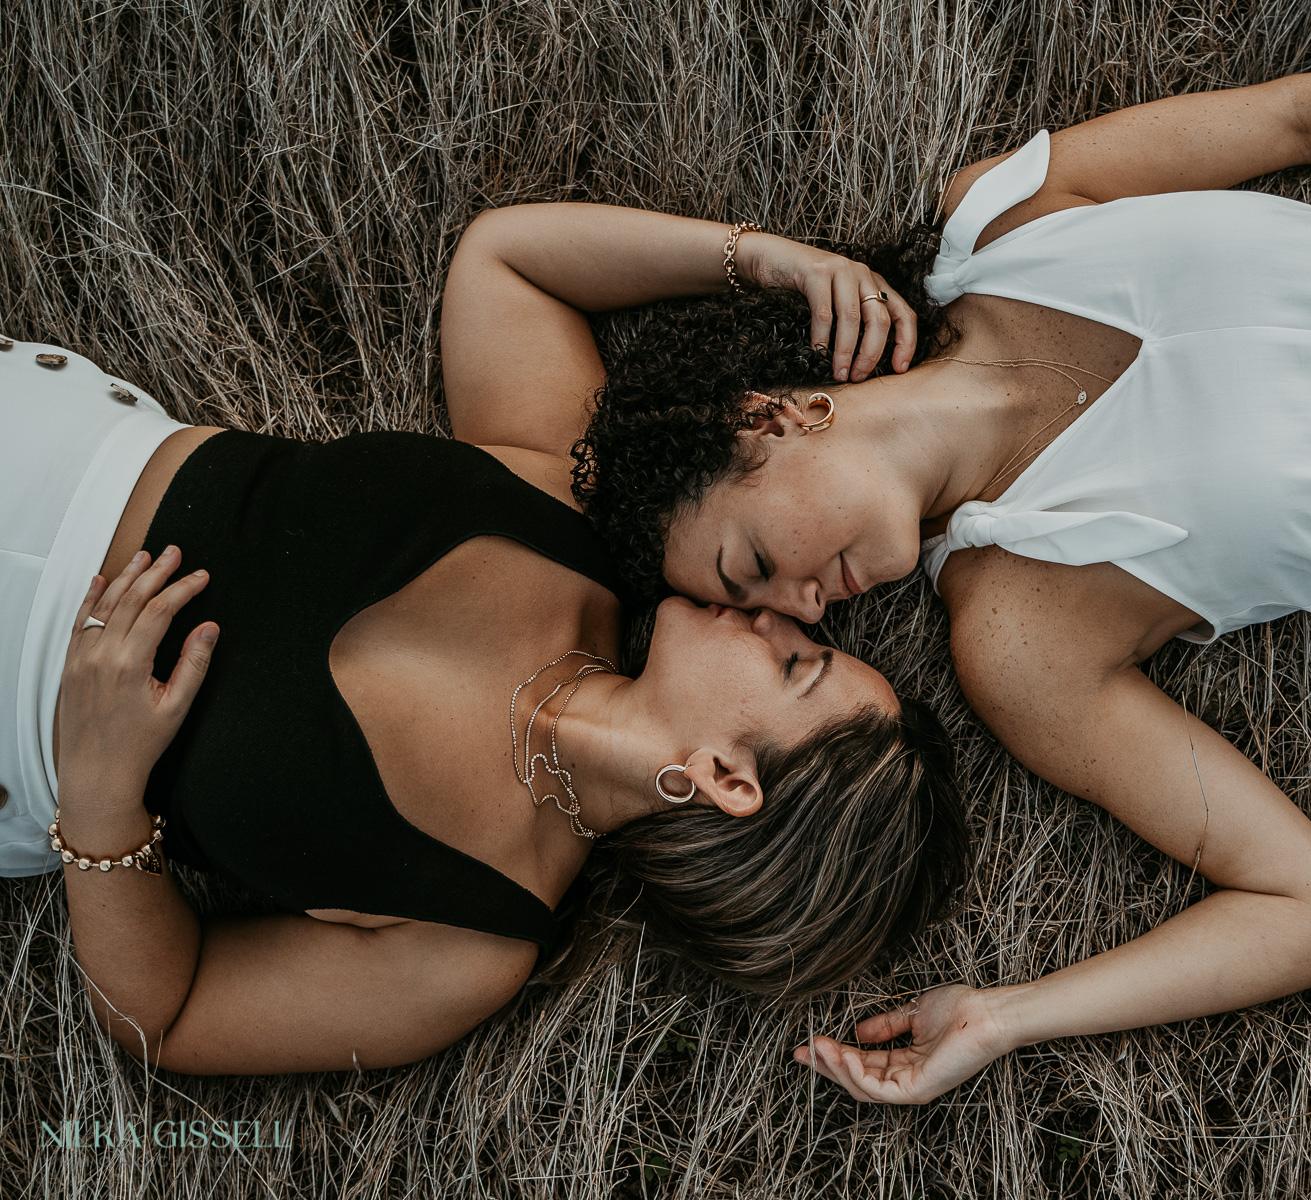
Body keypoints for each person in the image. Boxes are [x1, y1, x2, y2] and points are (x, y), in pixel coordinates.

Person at [553, 63, 1311, 1102]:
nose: (806, 607)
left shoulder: (1001, 219)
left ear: (767, 418)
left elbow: (1294, 122)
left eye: (752, 564)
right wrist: (1006, 1020)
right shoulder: (1020, 625)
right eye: (782, 620)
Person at [0, 214, 970, 1075]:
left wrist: (100, 794)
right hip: (50, 444)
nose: (784, 617)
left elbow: (164, 1017)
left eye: (797, 664)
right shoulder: (580, 528)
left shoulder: (468, 941)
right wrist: (762, 258)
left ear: (724, 776)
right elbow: (505, 264)